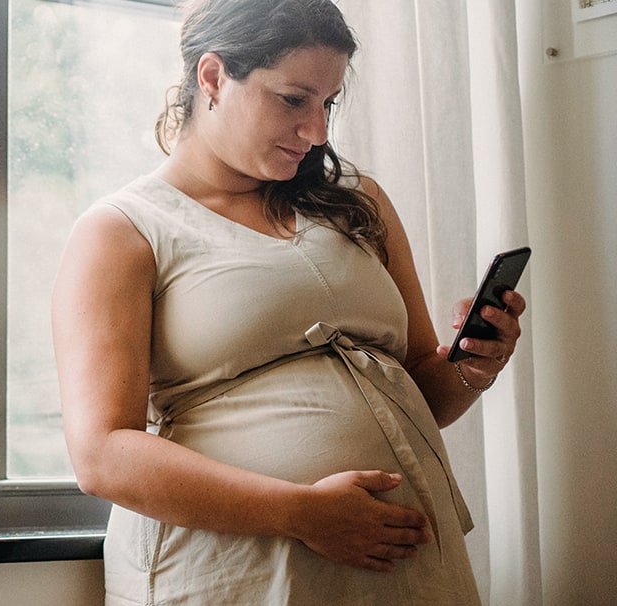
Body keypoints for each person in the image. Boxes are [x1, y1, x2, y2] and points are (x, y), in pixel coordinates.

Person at [50, 0, 526, 604]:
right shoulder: (122, 231)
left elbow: (423, 396)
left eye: (327, 103)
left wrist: (473, 365)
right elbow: (102, 455)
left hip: (399, 563)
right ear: (214, 78)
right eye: (293, 99)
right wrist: (302, 512)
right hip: (232, 568)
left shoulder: (359, 203)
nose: (319, 131)